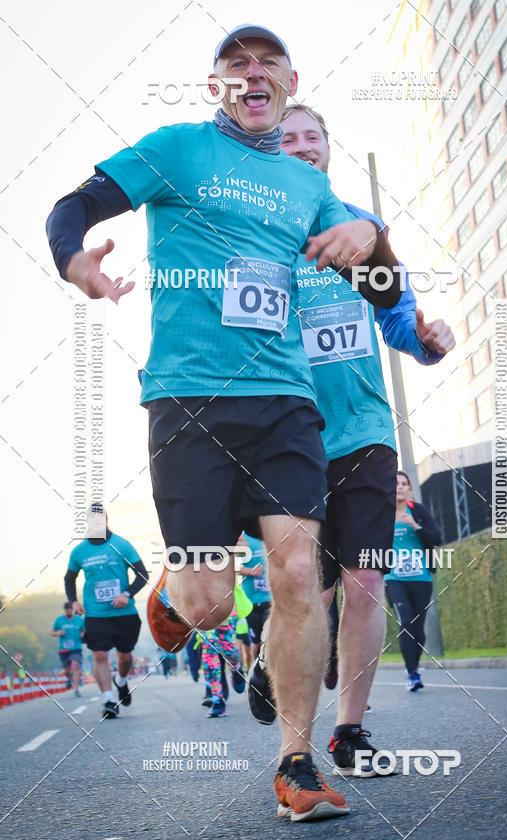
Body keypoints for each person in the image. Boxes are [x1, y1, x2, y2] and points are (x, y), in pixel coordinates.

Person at [46, 25, 402, 820]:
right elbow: (77, 203)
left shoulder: (307, 189)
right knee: (210, 601)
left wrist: (373, 240)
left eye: (266, 63)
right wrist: (74, 259)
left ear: (287, 81)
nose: (252, 74)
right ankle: (173, 601)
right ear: (218, 86)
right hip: (190, 401)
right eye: (236, 64)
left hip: (285, 403)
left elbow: (382, 292)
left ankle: (297, 766)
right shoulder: (176, 149)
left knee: (299, 573)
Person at [247, 104, 453, 776]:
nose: (303, 146)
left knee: (365, 579)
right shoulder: (258, 232)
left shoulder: (360, 232)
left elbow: (397, 321)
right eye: (289, 138)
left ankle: (350, 734)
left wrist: (425, 341)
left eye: (314, 137)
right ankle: (276, 668)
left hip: (365, 430)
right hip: (291, 434)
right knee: (304, 587)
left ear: (328, 149)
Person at [65, 503, 148, 719]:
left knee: (126, 657)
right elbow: (69, 578)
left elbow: (142, 574)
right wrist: (73, 601)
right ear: (88, 522)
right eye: (92, 519)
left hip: (124, 612)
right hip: (95, 614)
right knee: (99, 655)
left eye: (100, 519)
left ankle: (120, 681)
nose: (96, 522)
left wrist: (126, 594)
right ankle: (109, 701)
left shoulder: (122, 545)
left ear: (106, 520)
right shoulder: (79, 551)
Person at [384, 471, 442, 691]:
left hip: (421, 577)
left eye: (403, 483)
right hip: (394, 577)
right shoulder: (382, 514)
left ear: (409, 488)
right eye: (395, 483)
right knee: (406, 621)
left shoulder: (418, 511)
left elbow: (436, 538)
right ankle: (412, 673)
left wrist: (417, 526)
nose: (399, 487)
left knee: (418, 627)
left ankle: (414, 667)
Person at [238, 532, 271, 659]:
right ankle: (254, 672)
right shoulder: (242, 539)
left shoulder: (271, 534)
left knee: (269, 637)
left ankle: (269, 672)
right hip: (251, 601)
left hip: (271, 600)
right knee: (256, 642)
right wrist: (250, 571)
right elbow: (227, 565)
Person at [51, 602, 84, 696]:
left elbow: (84, 630)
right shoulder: (59, 620)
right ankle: (71, 680)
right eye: (67, 610)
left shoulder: (79, 620)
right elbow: (52, 632)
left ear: (72, 610)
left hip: (76, 647)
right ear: (65, 610)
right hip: (63, 648)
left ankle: (76, 689)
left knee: (75, 664)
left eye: (70, 610)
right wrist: (58, 633)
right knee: (67, 671)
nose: (68, 612)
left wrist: (82, 635)